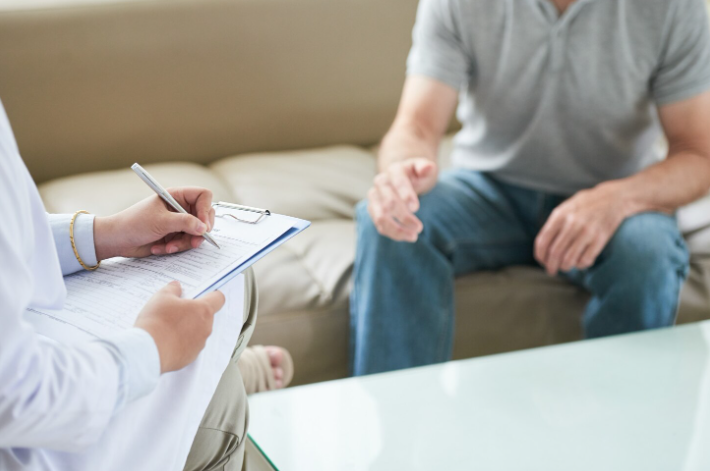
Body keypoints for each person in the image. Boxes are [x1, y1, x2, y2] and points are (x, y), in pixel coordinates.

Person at [351, 0, 710, 375]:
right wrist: (400, 173)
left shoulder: (673, 7)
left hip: (617, 195)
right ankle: (398, 411)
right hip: (489, 190)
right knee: (392, 222)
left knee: (647, 253)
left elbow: (697, 153)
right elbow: (416, 126)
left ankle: (615, 410)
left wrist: (617, 199)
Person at [0, 98, 290, 470]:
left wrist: (104, 234)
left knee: (228, 274)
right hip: (34, 432)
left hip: (34, 341)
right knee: (224, 404)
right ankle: (217, 372)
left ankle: (211, 368)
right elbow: (18, 396)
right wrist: (154, 348)